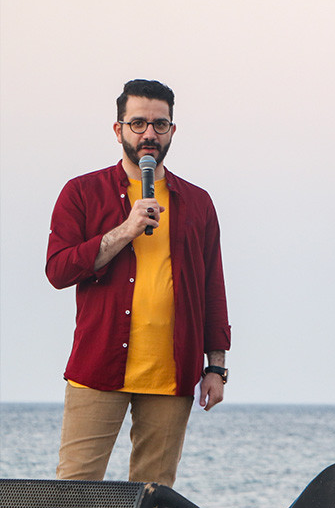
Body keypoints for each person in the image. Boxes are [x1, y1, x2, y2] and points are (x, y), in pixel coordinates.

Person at [46, 79, 230, 487]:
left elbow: (212, 289)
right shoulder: (82, 192)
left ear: (172, 131)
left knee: (153, 495)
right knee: (74, 489)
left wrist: (216, 367)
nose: (149, 134)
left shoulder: (198, 202)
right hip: (98, 365)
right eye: (138, 124)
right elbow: (58, 270)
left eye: (160, 125)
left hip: (172, 372)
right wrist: (125, 230)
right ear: (119, 130)